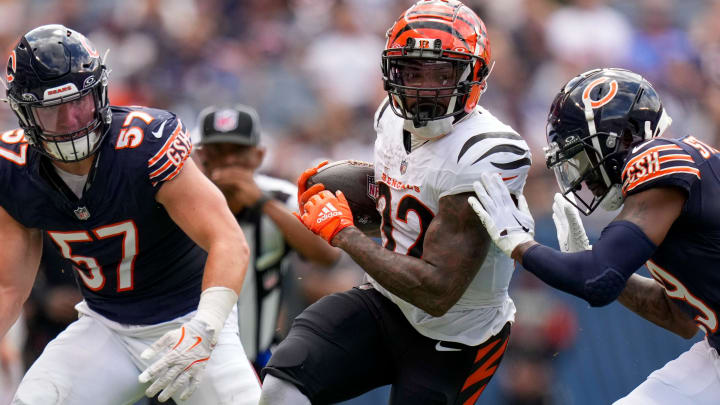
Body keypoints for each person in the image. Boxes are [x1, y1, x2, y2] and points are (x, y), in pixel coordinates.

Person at [259, 1, 533, 404]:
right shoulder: (390, 117)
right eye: (412, 71)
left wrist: (345, 233)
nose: (423, 86)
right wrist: (347, 197)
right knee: (284, 381)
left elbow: (438, 291)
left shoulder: (486, 152)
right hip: (385, 303)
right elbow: (407, 205)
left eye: (442, 73)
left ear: (475, 75)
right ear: (391, 71)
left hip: (456, 338)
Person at [0, 24, 261, 404]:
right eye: (54, 110)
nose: (72, 120)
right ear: (26, 114)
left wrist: (205, 329)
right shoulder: (14, 168)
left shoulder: (143, 144)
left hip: (189, 318)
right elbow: (9, 288)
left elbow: (228, 240)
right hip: (105, 327)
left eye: (80, 102)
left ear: (100, 91)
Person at [469, 67, 719, 404]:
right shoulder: (678, 188)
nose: (580, 174)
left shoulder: (661, 159)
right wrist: (591, 260)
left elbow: (598, 280)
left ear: (619, 140)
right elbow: (681, 318)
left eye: (582, 156)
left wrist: (518, 244)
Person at [194, 105, 341, 372]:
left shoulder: (281, 198)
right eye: (218, 151)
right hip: (186, 356)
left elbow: (328, 256)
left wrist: (263, 203)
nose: (227, 161)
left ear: (258, 156)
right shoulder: (182, 201)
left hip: (255, 357)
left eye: (237, 151)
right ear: (200, 155)